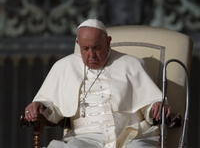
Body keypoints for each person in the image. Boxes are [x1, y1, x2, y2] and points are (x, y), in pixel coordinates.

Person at [25, 19, 170, 148]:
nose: (91, 55)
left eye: (96, 48)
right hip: (84, 138)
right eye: (85, 49)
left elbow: (150, 102)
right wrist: (40, 107)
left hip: (131, 135)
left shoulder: (132, 64)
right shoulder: (63, 67)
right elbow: (51, 106)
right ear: (78, 44)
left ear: (108, 42)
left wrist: (155, 106)